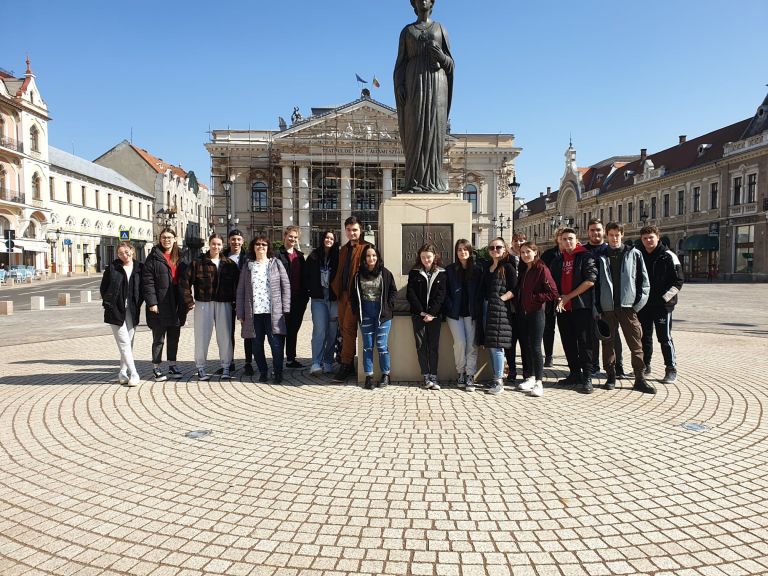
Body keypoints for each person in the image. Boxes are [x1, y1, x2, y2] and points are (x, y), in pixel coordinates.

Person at [394, 0, 454, 193]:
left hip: (437, 84)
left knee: (434, 131)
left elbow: (451, 65)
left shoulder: (440, 28)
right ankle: (414, 182)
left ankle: (433, 181)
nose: (423, 1)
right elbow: (400, 63)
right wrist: (400, 85)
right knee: (415, 130)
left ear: (432, 2)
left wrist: (441, 56)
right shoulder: (407, 31)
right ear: (414, 3)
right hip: (413, 86)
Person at [594, 223, 654, 394]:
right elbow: (596, 284)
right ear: (607, 236)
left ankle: (639, 379)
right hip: (607, 308)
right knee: (608, 344)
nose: (614, 238)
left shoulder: (634, 253)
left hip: (628, 308)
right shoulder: (601, 256)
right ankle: (611, 376)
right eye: (611, 235)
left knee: (636, 344)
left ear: (621, 235)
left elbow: (644, 283)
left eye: (617, 235)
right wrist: (597, 307)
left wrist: (637, 306)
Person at [183, 233, 240, 381]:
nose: (216, 247)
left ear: (222, 246)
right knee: (201, 336)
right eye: (214, 244)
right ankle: (201, 368)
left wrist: (236, 302)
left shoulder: (229, 264)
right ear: (209, 244)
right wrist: (189, 301)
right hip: (203, 303)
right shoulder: (197, 263)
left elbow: (238, 285)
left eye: (219, 244)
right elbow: (185, 283)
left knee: (225, 336)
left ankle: (226, 366)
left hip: (224, 303)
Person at [236, 235, 291, 383]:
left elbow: (285, 286)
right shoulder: (248, 266)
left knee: (276, 344)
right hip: (254, 313)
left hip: (273, 313)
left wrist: (286, 309)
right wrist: (240, 313)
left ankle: (278, 372)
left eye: (264, 244)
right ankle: (263, 371)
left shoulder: (276, 263)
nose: (261, 247)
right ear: (253, 247)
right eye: (258, 244)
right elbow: (240, 290)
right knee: (256, 345)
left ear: (268, 247)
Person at [549, 228, 597, 394]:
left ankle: (587, 377)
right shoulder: (557, 260)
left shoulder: (585, 256)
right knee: (568, 343)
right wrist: (559, 297)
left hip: (581, 307)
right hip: (563, 308)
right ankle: (574, 373)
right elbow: (552, 283)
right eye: (564, 239)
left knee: (585, 343)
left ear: (576, 240)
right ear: (560, 242)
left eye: (570, 238)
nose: (567, 242)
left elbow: (590, 280)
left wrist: (568, 296)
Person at [639, 225, 684, 384]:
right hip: (644, 306)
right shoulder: (640, 255)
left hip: (663, 307)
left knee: (664, 338)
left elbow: (678, 281)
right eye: (645, 238)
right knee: (645, 337)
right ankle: (645, 366)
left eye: (651, 237)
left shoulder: (668, 255)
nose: (648, 240)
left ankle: (671, 369)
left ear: (657, 237)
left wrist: (664, 298)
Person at [142, 228, 187, 382]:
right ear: (160, 239)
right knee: (159, 338)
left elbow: (186, 281)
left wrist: (188, 300)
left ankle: (173, 365)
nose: (166, 240)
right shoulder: (153, 258)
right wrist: (152, 303)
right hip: (160, 303)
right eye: (163, 237)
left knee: (174, 337)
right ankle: (156, 367)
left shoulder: (180, 256)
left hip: (176, 302)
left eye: (169, 237)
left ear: (175, 239)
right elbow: (147, 282)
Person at [515, 241, 559, 397]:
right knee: (526, 346)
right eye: (523, 252)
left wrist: (535, 298)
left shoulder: (541, 269)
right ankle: (531, 377)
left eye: (528, 251)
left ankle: (539, 382)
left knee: (535, 347)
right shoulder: (524, 269)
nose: (526, 255)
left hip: (536, 313)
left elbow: (553, 292)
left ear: (535, 252)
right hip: (524, 312)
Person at [583, 218, 625, 378]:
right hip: (588, 297)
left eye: (598, 230)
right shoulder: (583, 250)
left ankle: (617, 366)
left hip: (608, 299)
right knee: (592, 334)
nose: (596, 233)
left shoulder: (609, 250)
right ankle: (594, 366)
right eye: (592, 230)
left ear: (604, 233)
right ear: (588, 232)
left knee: (613, 334)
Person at [351, 245, 397, 390]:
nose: (371, 258)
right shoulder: (358, 275)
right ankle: (369, 376)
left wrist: (388, 307)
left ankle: (385, 375)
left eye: (374, 256)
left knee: (382, 346)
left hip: (382, 316)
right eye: (368, 256)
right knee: (367, 346)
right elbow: (353, 296)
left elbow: (393, 292)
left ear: (378, 257)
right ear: (364, 258)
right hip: (365, 315)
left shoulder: (385, 273)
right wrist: (357, 312)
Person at [331, 216, 371, 382]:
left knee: (349, 328)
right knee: (344, 329)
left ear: (360, 230)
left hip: (358, 296)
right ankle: (346, 361)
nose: (351, 232)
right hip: (343, 295)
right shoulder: (343, 249)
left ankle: (346, 363)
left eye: (354, 229)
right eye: (348, 229)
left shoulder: (367, 248)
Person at [100, 241, 143, 387]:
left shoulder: (139, 268)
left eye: (126, 252)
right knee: (124, 342)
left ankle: (122, 373)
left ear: (132, 251)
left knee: (128, 343)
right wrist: (109, 303)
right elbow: (103, 288)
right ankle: (134, 373)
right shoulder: (113, 268)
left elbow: (142, 288)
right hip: (115, 310)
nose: (124, 255)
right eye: (120, 253)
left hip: (132, 310)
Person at [444, 239, 482, 392]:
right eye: (459, 249)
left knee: (472, 345)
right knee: (460, 343)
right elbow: (445, 292)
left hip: (471, 313)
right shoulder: (450, 269)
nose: (462, 252)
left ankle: (470, 375)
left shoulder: (478, 270)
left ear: (470, 251)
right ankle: (461, 372)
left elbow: (480, 292)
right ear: (456, 252)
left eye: (465, 249)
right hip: (455, 314)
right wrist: (450, 306)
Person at [480, 237, 517, 395]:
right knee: (491, 344)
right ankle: (495, 378)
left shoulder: (508, 266)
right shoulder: (487, 266)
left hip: (499, 309)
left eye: (498, 247)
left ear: (505, 249)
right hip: (486, 308)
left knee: (497, 346)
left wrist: (501, 300)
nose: (495, 250)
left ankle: (499, 381)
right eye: (492, 248)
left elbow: (515, 288)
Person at [407, 243, 447, 389]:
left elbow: (441, 295)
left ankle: (434, 376)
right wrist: (422, 312)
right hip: (418, 316)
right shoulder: (414, 272)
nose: (426, 260)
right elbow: (410, 294)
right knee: (421, 346)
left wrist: (432, 313)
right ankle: (426, 376)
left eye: (428, 257)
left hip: (434, 317)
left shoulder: (442, 273)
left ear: (434, 256)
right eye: (423, 257)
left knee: (433, 347)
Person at [305, 230, 340, 375]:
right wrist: (310, 290)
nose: (329, 240)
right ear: (322, 239)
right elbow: (305, 275)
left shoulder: (338, 256)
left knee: (332, 332)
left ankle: (328, 361)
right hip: (318, 298)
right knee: (319, 330)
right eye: (326, 237)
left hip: (333, 299)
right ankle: (316, 363)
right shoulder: (313, 256)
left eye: (331, 238)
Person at [277, 226, 308, 368]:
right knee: (281, 330)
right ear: (285, 236)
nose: (293, 239)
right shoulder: (277, 255)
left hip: (298, 299)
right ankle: (278, 359)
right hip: (282, 300)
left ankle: (291, 359)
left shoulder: (300, 256)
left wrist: (305, 297)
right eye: (290, 236)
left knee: (293, 329)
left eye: (295, 237)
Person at [223, 228, 249, 374]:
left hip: (245, 299)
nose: (236, 242)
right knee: (227, 333)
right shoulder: (222, 256)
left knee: (247, 332)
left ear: (242, 241)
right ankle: (229, 362)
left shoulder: (248, 257)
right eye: (233, 239)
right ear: (229, 241)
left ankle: (248, 363)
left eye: (238, 239)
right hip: (227, 299)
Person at [504, 232, 528, 388]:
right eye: (516, 241)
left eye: (521, 240)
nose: (519, 243)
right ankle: (511, 371)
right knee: (510, 342)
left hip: (526, 307)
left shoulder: (529, 258)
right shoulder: (507, 259)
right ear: (511, 243)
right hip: (511, 306)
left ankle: (527, 373)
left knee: (526, 343)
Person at [540, 228, 564, 367]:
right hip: (551, 297)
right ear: (557, 238)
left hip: (567, 296)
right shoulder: (549, 254)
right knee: (548, 327)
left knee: (568, 327)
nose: (563, 239)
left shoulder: (575, 254)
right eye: (560, 236)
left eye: (566, 236)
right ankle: (548, 356)